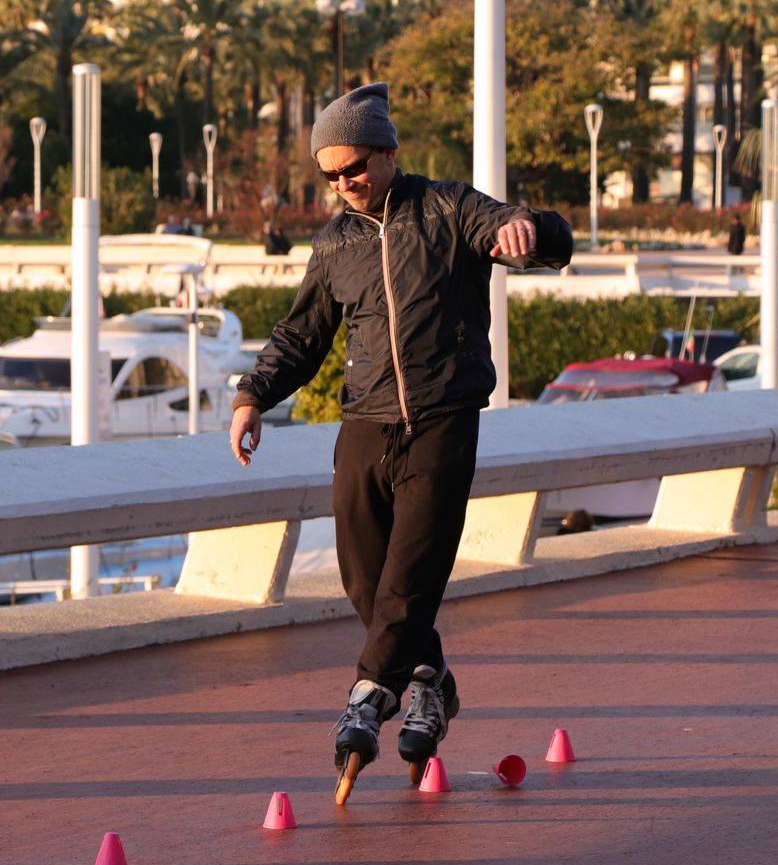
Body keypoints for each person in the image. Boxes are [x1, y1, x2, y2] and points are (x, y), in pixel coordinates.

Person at [228, 83, 573, 803]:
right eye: (330, 175)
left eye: (354, 167)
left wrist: (529, 229)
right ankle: (431, 680)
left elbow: (533, 234)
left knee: (410, 574)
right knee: (364, 578)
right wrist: (253, 394)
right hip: (366, 423)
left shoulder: (447, 208)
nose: (344, 184)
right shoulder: (336, 243)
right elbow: (302, 334)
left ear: (387, 151)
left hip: (442, 420)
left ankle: (369, 694)